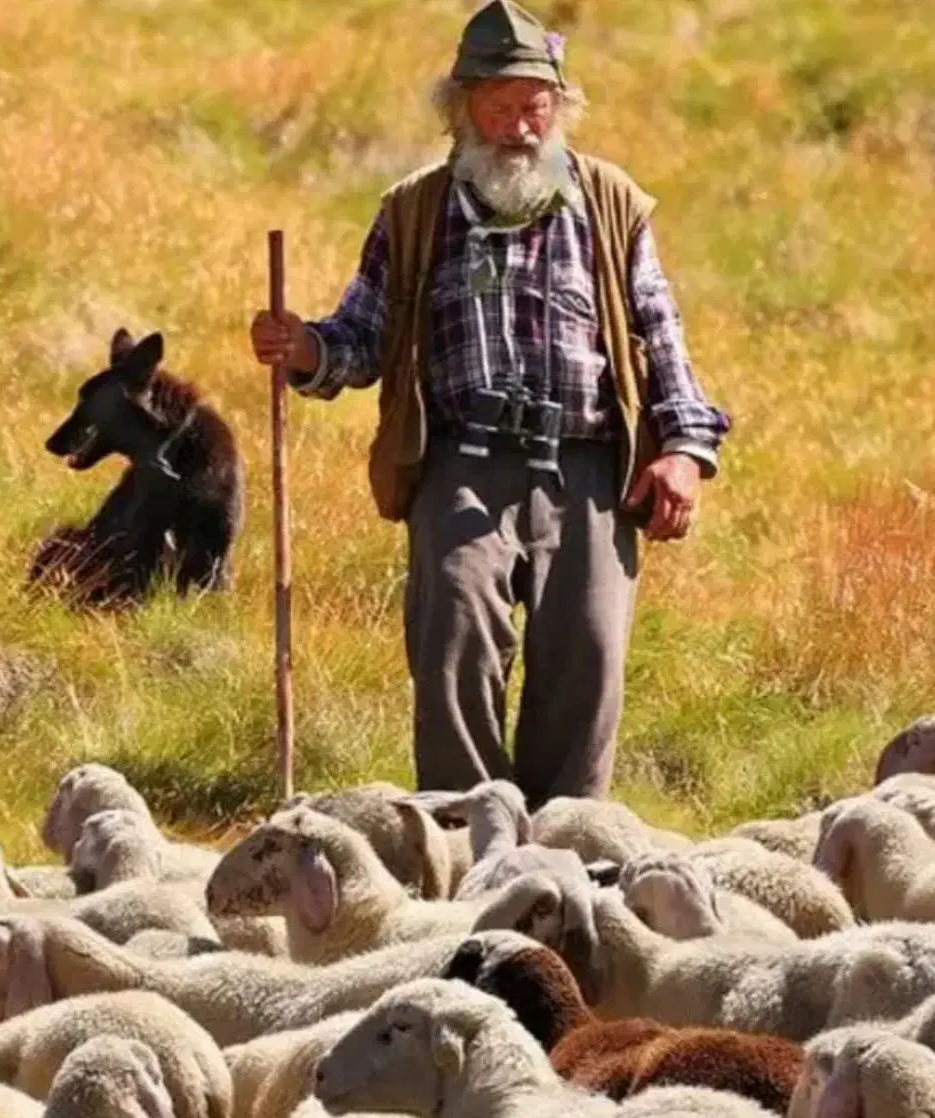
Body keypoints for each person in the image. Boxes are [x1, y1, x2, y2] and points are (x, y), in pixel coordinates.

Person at [251, 0, 731, 809]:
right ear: (462, 111)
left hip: (587, 469)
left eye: (535, 109)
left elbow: (661, 331)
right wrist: (304, 348)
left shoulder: (609, 204)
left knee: (585, 657)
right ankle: (465, 845)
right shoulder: (415, 210)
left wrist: (682, 450)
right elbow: (360, 338)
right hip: (460, 465)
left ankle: (569, 861)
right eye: (500, 108)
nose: (519, 129)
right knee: (454, 644)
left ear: (559, 109)